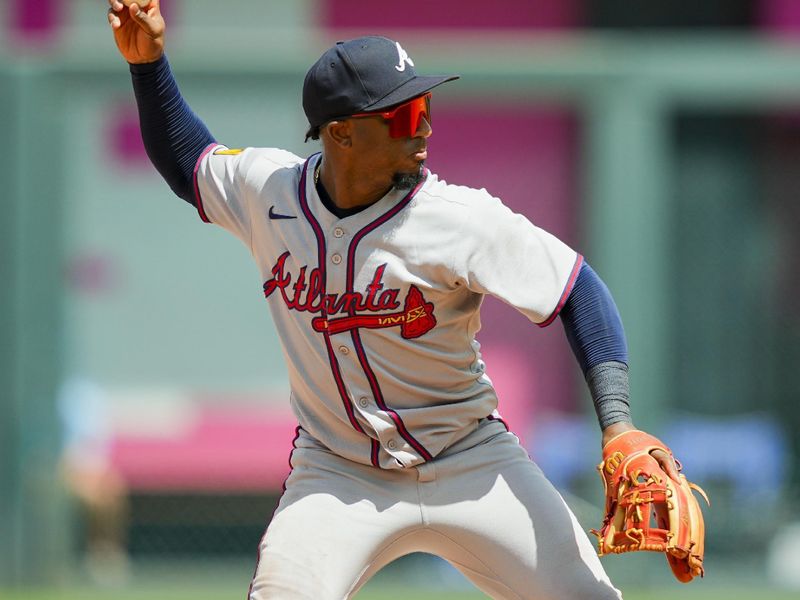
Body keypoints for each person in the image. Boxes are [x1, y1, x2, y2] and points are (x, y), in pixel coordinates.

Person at [107, 2, 681, 598]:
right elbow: (189, 162)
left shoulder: (459, 218)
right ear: (342, 131)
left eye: (426, 108)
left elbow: (578, 289)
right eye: (405, 114)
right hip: (336, 473)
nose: (426, 126)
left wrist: (617, 425)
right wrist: (147, 67)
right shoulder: (270, 191)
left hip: (472, 459)